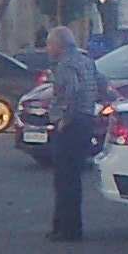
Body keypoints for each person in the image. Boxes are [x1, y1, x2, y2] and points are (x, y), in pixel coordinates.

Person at [44, 25, 102, 242]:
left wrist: (64, 119)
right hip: (85, 123)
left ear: (60, 45)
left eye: (50, 44)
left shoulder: (65, 66)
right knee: (73, 178)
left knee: (64, 179)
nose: (47, 48)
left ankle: (66, 229)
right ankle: (70, 226)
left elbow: (73, 90)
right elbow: (101, 83)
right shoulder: (86, 61)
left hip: (70, 126)